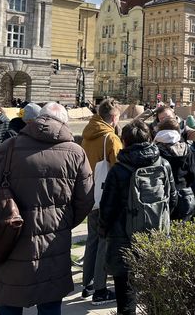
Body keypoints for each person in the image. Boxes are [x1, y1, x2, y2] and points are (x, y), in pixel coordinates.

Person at [0, 102, 94, 315]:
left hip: (9, 237)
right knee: (50, 305)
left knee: (9, 302)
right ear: (64, 123)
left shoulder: (8, 148)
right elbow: (85, 199)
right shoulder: (76, 152)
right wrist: (63, 222)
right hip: (54, 242)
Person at [99, 120, 177, 315]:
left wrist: (103, 230)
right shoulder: (164, 164)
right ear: (149, 138)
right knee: (157, 290)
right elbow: (173, 199)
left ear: (124, 141)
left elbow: (107, 207)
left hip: (123, 236)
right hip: (156, 233)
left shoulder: (118, 169)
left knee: (126, 296)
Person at [80, 98, 123, 305]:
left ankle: (86, 284)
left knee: (92, 240)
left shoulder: (88, 133)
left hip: (90, 193)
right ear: (114, 117)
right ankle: (100, 289)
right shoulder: (111, 138)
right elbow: (118, 169)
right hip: (106, 196)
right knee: (105, 242)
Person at [154, 118, 195, 222]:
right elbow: (193, 174)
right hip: (183, 192)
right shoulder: (186, 148)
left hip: (163, 193)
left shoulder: (156, 149)